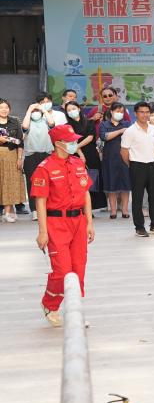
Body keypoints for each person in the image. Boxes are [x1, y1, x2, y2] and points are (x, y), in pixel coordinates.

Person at [31, 124, 95, 327]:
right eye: (71, 141)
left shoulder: (77, 163)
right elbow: (40, 202)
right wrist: (42, 232)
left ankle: (75, 312)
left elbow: (86, 194)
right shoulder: (44, 168)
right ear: (58, 143)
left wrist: (89, 222)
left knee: (78, 268)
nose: (75, 144)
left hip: (78, 222)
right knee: (62, 271)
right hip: (56, 223)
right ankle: (49, 304)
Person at [121, 102, 154, 238]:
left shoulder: (153, 129)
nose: (145, 114)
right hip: (137, 166)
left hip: (153, 165)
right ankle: (139, 227)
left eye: (147, 112)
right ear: (136, 113)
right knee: (138, 198)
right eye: (142, 112)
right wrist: (132, 165)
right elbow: (124, 151)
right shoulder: (130, 131)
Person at [64, 100, 104, 216]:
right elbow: (71, 141)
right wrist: (80, 153)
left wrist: (76, 146)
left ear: (79, 109)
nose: (72, 111)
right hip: (75, 156)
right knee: (78, 183)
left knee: (92, 182)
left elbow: (90, 137)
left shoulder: (89, 122)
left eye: (73, 109)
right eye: (69, 110)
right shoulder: (67, 126)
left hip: (91, 155)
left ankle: (89, 208)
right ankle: (80, 208)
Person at [99, 103, 131, 219]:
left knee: (125, 185)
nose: (119, 114)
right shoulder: (104, 124)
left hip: (125, 158)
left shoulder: (127, 124)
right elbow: (104, 136)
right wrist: (120, 131)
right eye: (117, 111)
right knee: (111, 185)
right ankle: (113, 211)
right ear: (111, 112)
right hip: (110, 158)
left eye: (122, 112)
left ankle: (125, 210)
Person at [0, 98, 25, 222]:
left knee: (10, 183)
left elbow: (20, 142)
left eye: (6, 107)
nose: (4, 110)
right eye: (1, 108)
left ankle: (7, 212)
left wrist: (19, 158)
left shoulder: (15, 122)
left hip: (11, 154)